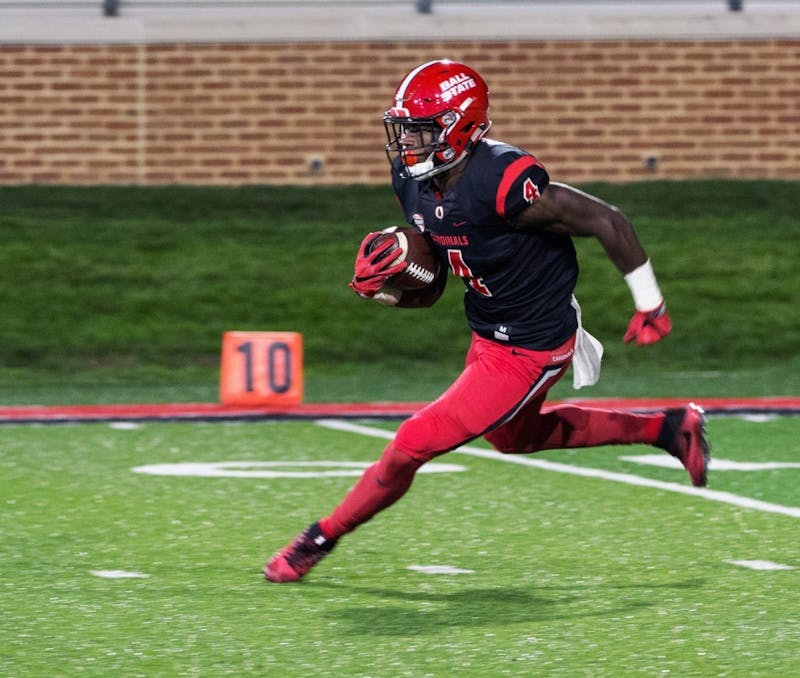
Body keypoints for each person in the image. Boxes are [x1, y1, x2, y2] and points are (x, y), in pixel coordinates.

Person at [264, 59, 710, 584]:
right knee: (514, 439)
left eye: (421, 128)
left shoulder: (502, 180)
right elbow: (432, 289)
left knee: (411, 443)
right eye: (404, 128)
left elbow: (608, 221)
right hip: (489, 330)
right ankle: (670, 428)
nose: (407, 140)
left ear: (460, 126)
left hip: (530, 348)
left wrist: (649, 303)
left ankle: (319, 537)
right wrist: (386, 289)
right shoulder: (414, 182)